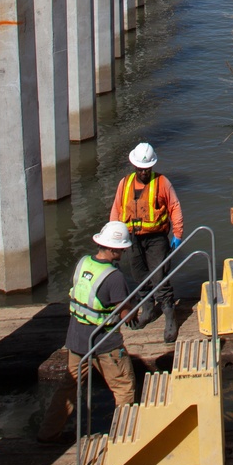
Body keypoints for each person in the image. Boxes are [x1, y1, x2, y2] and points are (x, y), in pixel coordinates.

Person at [38, 221, 136, 442]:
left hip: (76, 339)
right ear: (114, 249)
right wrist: (136, 312)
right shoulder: (115, 277)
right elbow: (125, 314)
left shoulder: (83, 264)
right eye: (122, 249)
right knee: (124, 389)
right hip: (105, 344)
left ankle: (47, 434)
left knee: (68, 388)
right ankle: (123, 439)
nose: (124, 252)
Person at [110, 142, 184, 343]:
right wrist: (113, 236)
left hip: (156, 238)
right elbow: (117, 210)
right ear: (134, 166)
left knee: (159, 275)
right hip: (132, 238)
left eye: (147, 169)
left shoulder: (162, 183)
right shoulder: (124, 184)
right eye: (140, 169)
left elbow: (174, 206)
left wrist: (177, 233)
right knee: (139, 274)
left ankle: (169, 312)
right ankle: (147, 308)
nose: (143, 172)